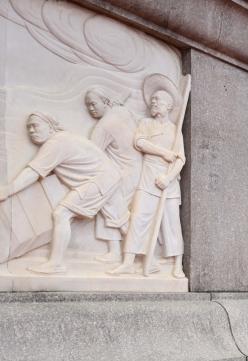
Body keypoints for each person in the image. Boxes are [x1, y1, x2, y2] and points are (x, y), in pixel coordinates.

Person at [0, 112, 129, 274]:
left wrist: (8, 190)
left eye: (35, 125)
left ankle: (55, 263)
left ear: (50, 126)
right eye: (28, 128)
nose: (31, 131)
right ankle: (128, 255)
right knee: (119, 218)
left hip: (99, 179)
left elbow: (33, 172)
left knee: (62, 213)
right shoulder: (64, 138)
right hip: (109, 175)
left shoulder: (55, 143)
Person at [110, 77, 186, 278]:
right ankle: (128, 261)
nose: (153, 103)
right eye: (152, 100)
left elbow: (180, 159)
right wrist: (163, 152)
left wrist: (168, 178)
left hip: (168, 183)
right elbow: (140, 143)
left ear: (168, 106)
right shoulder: (145, 123)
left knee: (171, 224)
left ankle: (176, 265)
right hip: (148, 178)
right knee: (139, 218)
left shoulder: (174, 130)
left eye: (158, 100)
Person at [85, 86, 140, 263]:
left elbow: (90, 153)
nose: (90, 109)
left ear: (106, 101)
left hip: (123, 174)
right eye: (88, 106)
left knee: (112, 208)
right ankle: (118, 251)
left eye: (93, 104)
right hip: (136, 169)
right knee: (116, 210)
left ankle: (130, 249)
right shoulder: (123, 112)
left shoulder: (103, 126)